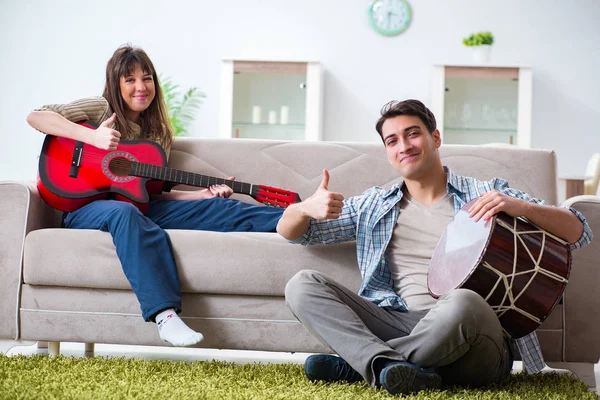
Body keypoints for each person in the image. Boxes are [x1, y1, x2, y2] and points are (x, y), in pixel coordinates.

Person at [277, 99, 593, 395]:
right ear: (388, 152)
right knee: (303, 284)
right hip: (399, 323)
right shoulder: (373, 205)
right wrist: (301, 209)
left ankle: (363, 364)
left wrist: (522, 208)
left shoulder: (487, 192)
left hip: (475, 335)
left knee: (462, 302)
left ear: (435, 138)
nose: (404, 146)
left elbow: (580, 231)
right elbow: (294, 233)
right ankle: (395, 368)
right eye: (393, 141)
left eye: (412, 134)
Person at [27, 44, 284, 347]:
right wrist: (92, 136)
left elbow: (146, 195)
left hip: (136, 208)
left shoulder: (158, 134)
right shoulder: (100, 108)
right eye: (130, 79)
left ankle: (298, 217)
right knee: (124, 212)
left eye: (146, 78)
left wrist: (201, 197)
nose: (140, 87)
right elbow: (37, 117)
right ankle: (165, 316)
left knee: (217, 206)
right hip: (85, 208)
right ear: (116, 84)